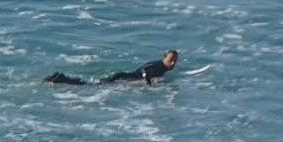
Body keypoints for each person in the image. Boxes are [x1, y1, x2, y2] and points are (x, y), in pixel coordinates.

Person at [45, 50, 181, 86]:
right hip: (122, 78)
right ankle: (62, 79)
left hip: (123, 77)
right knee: (90, 85)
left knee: (92, 83)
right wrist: (148, 83)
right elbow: (146, 70)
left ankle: (60, 78)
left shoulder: (163, 68)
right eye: (170, 60)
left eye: (175, 60)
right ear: (164, 58)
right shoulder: (158, 65)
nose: (173, 63)